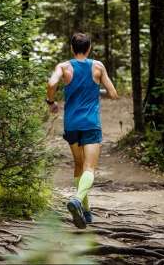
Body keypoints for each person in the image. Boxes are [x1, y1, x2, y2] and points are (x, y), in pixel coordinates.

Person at [46, 33, 118, 229]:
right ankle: (78, 199)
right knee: (89, 168)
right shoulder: (97, 66)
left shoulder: (63, 67)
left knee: (78, 166)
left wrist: (51, 102)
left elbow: (52, 84)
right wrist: (97, 89)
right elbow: (113, 93)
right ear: (89, 48)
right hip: (91, 124)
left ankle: (86, 212)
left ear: (72, 48)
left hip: (71, 124)